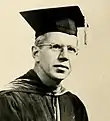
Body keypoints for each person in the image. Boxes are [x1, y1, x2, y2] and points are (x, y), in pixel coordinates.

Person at [0, 5, 89, 121]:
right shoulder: (9, 101)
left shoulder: (74, 104)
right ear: (36, 52)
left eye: (71, 49)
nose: (64, 56)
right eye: (56, 47)